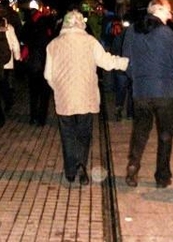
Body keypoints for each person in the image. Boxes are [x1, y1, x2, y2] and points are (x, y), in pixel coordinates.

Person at [44, 10, 128, 185]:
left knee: (67, 134)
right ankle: (81, 163)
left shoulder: (53, 45)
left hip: (64, 98)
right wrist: (124, 62)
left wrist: (59, 88)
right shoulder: (90, 42)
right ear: (82, 23)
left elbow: (48, 75)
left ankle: (70, 171)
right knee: (84, 134)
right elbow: (105, 62)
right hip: (86, 96)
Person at [122, 0, 173, 188]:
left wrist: (136, 77)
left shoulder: (132, 31)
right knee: (165, 135)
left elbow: (126, 60)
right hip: (166, 92)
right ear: (158, 10)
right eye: (168, 10)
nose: (170, 14)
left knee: (140, 132)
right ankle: (162, 176)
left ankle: (133, 165)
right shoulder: (166, 33)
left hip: (141, 91)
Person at [20, 7, 53, 126]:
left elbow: (23, 40)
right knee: (44, 94)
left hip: (33, 63)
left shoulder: (29, 26)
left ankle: (33, 117)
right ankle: (41, 118)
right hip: (45, 63)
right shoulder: (46, 25)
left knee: (34, 93)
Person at [0, 15, 21, 127]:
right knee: (3, 83)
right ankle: (7, 101)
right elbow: (15, 44)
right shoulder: (9, 28)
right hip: (6, 63)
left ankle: (3, 104)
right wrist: (17, 57)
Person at [109, 17, 134, 121]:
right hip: (128, 68)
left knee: (122, 90)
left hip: (123, 68)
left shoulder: (120, 36)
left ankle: (122, 110)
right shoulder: (134, 36)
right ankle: (129, 113)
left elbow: (113, 51)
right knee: (128, 91)